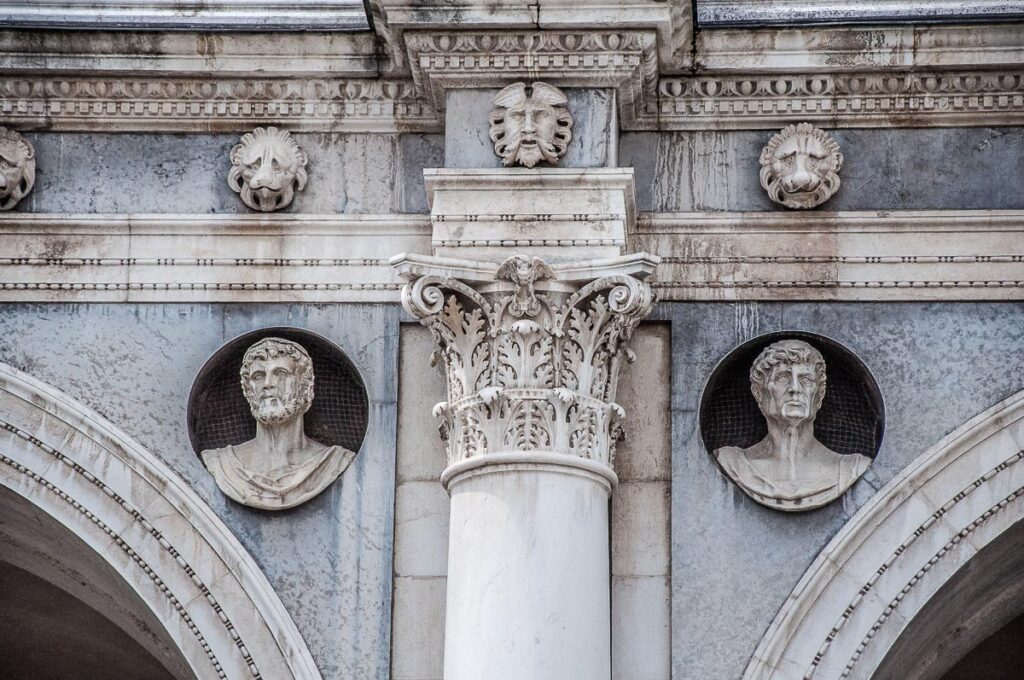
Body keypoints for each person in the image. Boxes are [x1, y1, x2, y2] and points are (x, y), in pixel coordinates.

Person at [714, 339, 871, 512]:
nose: (795, 388)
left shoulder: (851, 469)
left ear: (818, 397)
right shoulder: (732, 463)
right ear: (759, 393)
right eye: (783, 378)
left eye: (806, 379)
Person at [201, 337, 355, 510]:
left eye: (280, 374)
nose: (267, 384)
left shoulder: (334, 461)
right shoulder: (221, 463)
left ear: (306, 388)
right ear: (247, 390)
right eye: (258, 376)